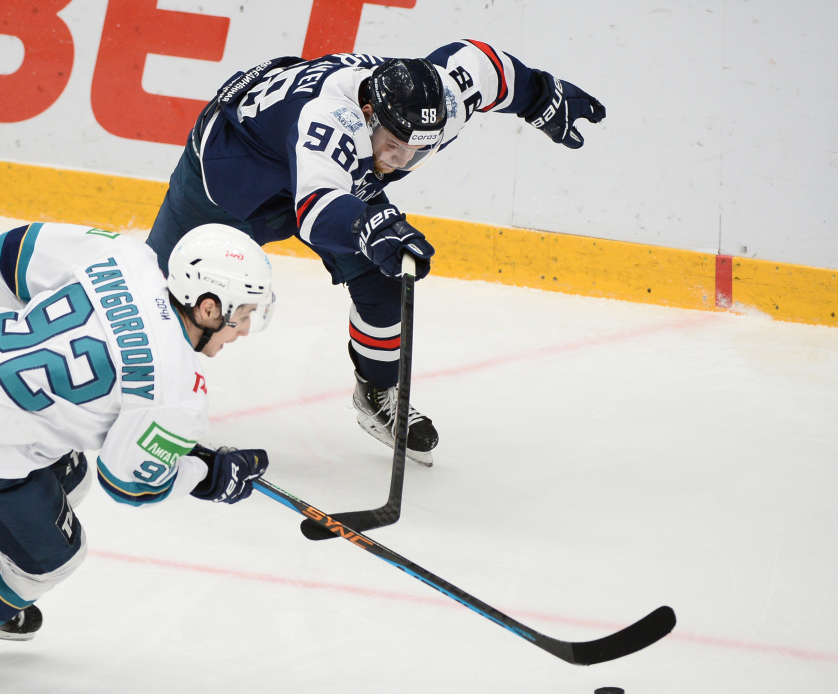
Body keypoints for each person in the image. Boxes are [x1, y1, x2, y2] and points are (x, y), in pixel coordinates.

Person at [146, 40, 606, 467]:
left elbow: (487, 67)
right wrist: (367, 226)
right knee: (161, 293)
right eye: (394, 146)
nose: (401, 161)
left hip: (327, 168)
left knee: (386, 280)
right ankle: (135, 380)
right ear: (367, 114)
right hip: (232, 173)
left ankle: (377, 393)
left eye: (418, 151)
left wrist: (540, 96)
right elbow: (316, 209)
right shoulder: (331, 118)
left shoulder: (444, 100)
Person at [0, 222, 276, 680]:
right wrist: (208, 476)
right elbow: (129, 484)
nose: (245, 329)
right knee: (52, 560)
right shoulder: (177, 393)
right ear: (209, 306)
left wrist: (27, 366)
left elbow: (9, 251)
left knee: (72, 479)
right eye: (244, 314)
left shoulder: (127, 257)